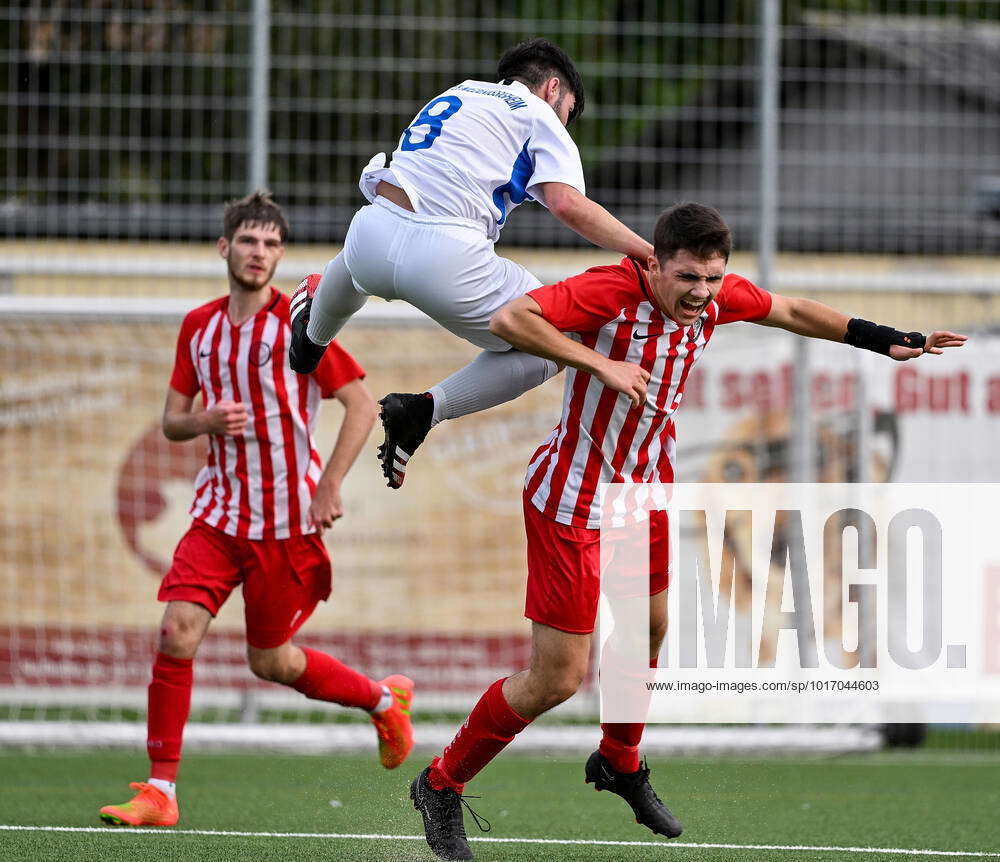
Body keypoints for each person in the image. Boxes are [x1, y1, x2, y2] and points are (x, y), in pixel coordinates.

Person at [407, 202, 967, 860]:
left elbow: (789, 311)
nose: (702, 294)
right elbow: (511, 319)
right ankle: (440, 783)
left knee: (650, 628)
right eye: (687, 279)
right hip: (572, 502)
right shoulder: (610, 288)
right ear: (654, 265)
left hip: (641, 493)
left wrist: (883, 337)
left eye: (711, 279)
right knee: (557, 680)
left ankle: (619, 761)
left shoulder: (717, 296)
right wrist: (599, 363)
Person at [99, 192, 414, 829]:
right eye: (248, 240)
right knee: (176, 633)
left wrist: (329, 485)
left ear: (280, 253)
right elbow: (170, 422)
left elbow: (361, 405)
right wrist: (202, 421)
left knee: (271, 661)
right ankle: (161, 792)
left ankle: (383, 700)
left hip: (287, 525)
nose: (259, 252)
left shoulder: (304, 324)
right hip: (217, 518)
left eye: (271, 243)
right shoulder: (200, 327)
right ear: (225, 247)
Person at [287, 37, 654, 489]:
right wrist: (648, 253)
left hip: (368, 236)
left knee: (373, 239)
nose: (566, 126)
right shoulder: (539, 114)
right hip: (446, 260)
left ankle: (312, 333)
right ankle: (424, 410)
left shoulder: (459, 91)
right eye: (568, 112)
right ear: (552, 88)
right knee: (556, 337)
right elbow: (567, 205)